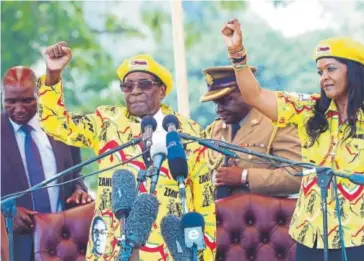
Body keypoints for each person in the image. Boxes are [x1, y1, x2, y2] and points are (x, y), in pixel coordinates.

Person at [220, 19, 364, 261]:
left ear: (353, 72)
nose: (324, 78)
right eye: (320, 72)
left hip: (362, 238)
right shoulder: (308, 111)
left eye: (331, 69)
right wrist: (237, 53)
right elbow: (254, 95)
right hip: (311, 236)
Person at [37, 42, 215, 261]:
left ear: (162, 90)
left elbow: (205, 205)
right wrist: (53, 75)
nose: (135, 91)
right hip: (113, 249)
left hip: (168, 251)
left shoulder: (188, 132)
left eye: (144, 84)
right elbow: (55, 124)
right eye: (128, 86)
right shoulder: (106, 123)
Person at [1, 66, 91, 261]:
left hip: (64, 244)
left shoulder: (61, 127)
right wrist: (5, 214)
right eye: (10, 101)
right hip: (14, 246)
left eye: (27, 100)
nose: (19, 108)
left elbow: (76, 174)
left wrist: (79, 190)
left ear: (39, 94)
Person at [201, 65, 302, 197]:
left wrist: (245, 176)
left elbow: (297, 176)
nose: (219, 109)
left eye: (226, 101)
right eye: (216, 103)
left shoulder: (276, 124)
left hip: (264, 215)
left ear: (246, 93)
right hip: (219, 214)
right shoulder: (216, 129)